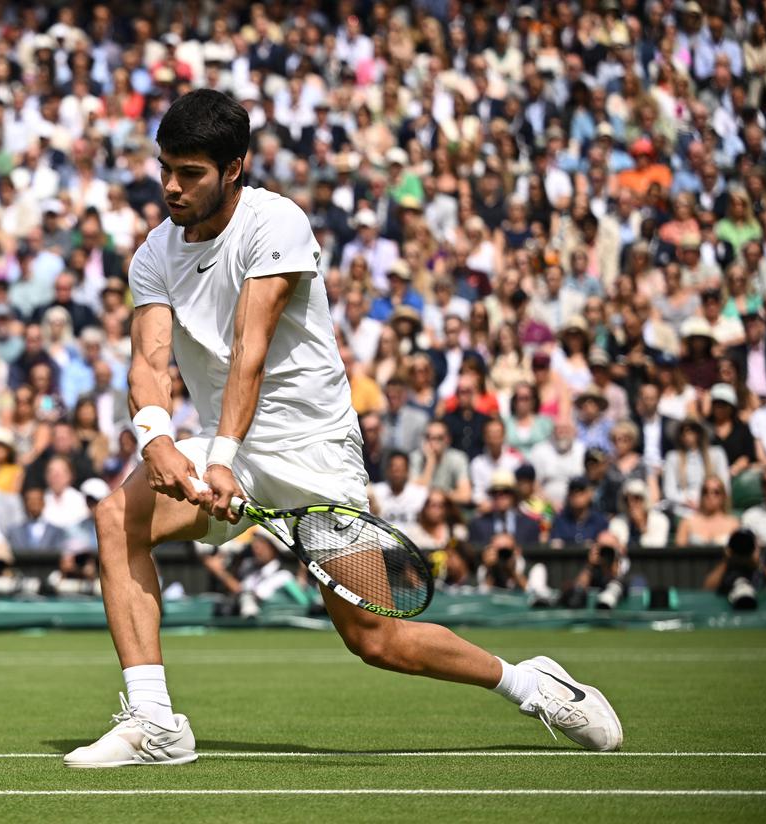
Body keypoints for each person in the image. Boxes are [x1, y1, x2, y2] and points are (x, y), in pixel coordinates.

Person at [65, 91, 621, 768]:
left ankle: (533, 685)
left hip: (312, 451)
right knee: (116, 518)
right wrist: (156, 439)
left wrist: (224, 460)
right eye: (166, 170)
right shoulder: (154, 253)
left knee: (374, 640)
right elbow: (149, 361)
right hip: (222, 446)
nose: (171, 187)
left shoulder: (279, 224)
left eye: (190, 173)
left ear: (234, 167)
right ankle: (155, 722)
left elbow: (251, 347)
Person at [675, 478, 740, 548]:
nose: (710, 496)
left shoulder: (733, 524)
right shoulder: (687, 523)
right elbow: (679, 553)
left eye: (716, 492)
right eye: (705, 491)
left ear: (723, 496)